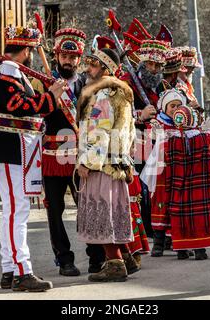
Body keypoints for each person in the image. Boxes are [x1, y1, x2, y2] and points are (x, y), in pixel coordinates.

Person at [0, 24, 68, 292]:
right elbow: (18, 107)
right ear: (26, 50)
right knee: (17, 210)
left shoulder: (6, 69)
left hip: (12, 147)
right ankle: (21, 271)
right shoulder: (8, 71)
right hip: (11, 147)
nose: (33, 55)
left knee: (13, 209)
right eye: (32, 50)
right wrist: (51, 97)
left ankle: (10, 268)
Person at [41, 27, 106, 276]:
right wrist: (49, 95)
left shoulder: (87, 85)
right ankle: (64, 258)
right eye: (64, 56)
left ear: (80, 59)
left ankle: (96, 257)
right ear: (57, 56)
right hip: (53, 154)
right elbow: (37, 113)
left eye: (73, 57)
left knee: (88, 205)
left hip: (81, 154)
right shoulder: (43, 81)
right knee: (55, 209)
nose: (68, 61)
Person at [76, 46, 136, 282]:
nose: (88, 69)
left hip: (102, 166)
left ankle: (115, 263)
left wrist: (86, 162)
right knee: (112, 213)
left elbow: (99, 133)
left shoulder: (103, 97)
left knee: (103, 215)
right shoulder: (121, 94)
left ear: (105, 69)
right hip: (117, 163)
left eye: (93, 65)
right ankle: (127, 257)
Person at [141, 90, 210, 260]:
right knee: (161, 206)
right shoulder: (158, 123)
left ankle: (181, 244)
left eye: (178, 106)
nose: (175, 109)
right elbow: (148, 143)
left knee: (179, 209)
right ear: (164, 107)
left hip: (178, 176)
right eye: (171, 106)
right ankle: (161, 243)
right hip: (163, 173)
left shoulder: (189, 126)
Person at [120, 39, 170, 238]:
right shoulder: (126, 82)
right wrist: (139, 115)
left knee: (157, 185)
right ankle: (144, 229)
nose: (155, 69)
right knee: (141, 187)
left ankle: (159, 228)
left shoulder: (161, 86)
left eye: (158, 66)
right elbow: (116, 113)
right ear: (142, 63)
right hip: (135, 140)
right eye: (151, 64)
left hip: (156, 140)